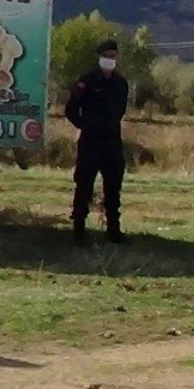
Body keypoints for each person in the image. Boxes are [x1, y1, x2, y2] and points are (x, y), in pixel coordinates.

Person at [66, 39, 130, 246]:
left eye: (113, 56)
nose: (110, 60)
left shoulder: (121, 84)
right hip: (90, 141)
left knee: (113, 187)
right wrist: (85, 125)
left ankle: (113, 230)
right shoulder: (87, 81)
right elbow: (71, 109)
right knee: (84, 185)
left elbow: (120, 110)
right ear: (99, 57)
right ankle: (79, 230)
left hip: (112, 141)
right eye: (107, 56)